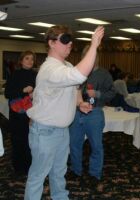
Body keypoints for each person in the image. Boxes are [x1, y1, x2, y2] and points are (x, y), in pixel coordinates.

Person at [24, 25, 104, 200]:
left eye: (70, 40)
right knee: (38, 176)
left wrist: (80, 103)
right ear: (52, 43)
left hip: (61, 131)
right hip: (45, 131)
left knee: (59, 173)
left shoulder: (65, 64)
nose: (70, 44)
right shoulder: (49, 69)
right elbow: (78, 76)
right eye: (65, 40)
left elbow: (74, 87)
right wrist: (93, 46)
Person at [69, 45, 115, 184]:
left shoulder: (104, 73)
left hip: (94, 113)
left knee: (96, 145)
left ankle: (95, 173)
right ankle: (75, 170)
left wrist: (98, 94)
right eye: (86, 54)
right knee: (74, 144)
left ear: (97, 56)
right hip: (77, 113)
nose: (89, 57)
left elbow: (112, 93)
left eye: (92, 55)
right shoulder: (76, 71)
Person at [4, 50, 37, 175]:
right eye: (27, 58)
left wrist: (35, 94)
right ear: (21, 60)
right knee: (18, 140)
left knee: (30, 141)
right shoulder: (15, 74)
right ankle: (18, 168)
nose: (30, 61)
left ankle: (29, 167)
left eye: (32, 59)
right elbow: (8, 94)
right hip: (17, 115)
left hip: (31, 114)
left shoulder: (36, 75)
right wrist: (23, 90)